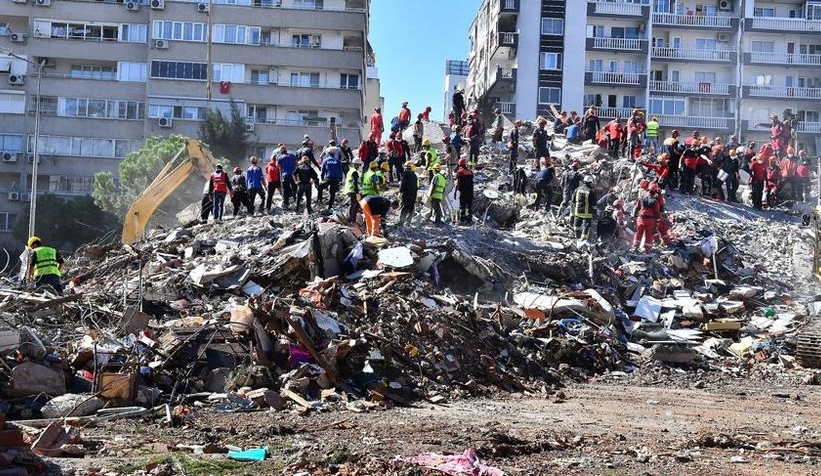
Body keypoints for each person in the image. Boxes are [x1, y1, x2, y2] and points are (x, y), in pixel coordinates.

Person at [632, 184, 661, 253]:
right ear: (655, 191)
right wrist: (657, 223)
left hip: (641, 219)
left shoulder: (642, 197)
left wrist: (635, 218)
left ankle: (635, 248)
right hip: (650, 220)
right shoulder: (655, 201)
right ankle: (647, 250)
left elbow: (637, 208)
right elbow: (657, 213)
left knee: (638, 233)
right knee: (649, 235)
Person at [318, 142, 344, 209]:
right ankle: (330, 207)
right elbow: (341, 170)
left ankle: (320, 200)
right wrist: (340, 179)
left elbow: (322, 170)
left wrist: (322, 178)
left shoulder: (325, 160)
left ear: (328, 153)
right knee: (332, 193)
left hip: (328, 178)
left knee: (320, 187)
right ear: (334, 154)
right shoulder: (337, 161)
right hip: (336, 179)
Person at [571, 175, 596, 240]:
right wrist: (594, 213)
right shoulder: (591, 192)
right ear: (589, 182)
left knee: (577, 225)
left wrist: (573, 210)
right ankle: (583, 240)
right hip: (587, 213)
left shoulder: (577, 189)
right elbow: (594, 204)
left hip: (578, 211)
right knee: (586, 226)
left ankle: (576, 236)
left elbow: (573, 200)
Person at [398, 160, 419, 226]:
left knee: (403, 207)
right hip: (413, 194)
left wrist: (400, 191)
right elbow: (416, 186)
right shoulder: (414, 175)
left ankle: (401, 222)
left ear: (405, 167)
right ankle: (408, 222)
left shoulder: (405, 173)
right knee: (410, 207)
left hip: (406, 193)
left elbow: (403, 183)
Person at [455, 158, 474, 224]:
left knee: (462, 206)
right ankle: (469, 220)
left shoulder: (460, 172)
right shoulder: (470, 172)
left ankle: (462, 220)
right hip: (470, 192)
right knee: (469, 206)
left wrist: (455, 191)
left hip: (463, 192)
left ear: (459, 164)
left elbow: (458, 183)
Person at [345, 158, 363, 224]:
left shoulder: (351, 171)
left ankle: (352, 219)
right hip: (353, 191)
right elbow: (355, 182)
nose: (359, 166)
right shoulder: (354, 172)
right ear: (355, 164)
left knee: (355, 205)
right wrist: (357, 192)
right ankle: (351, 219)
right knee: (353, 205)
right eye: (358, 165)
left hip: (350, 190)